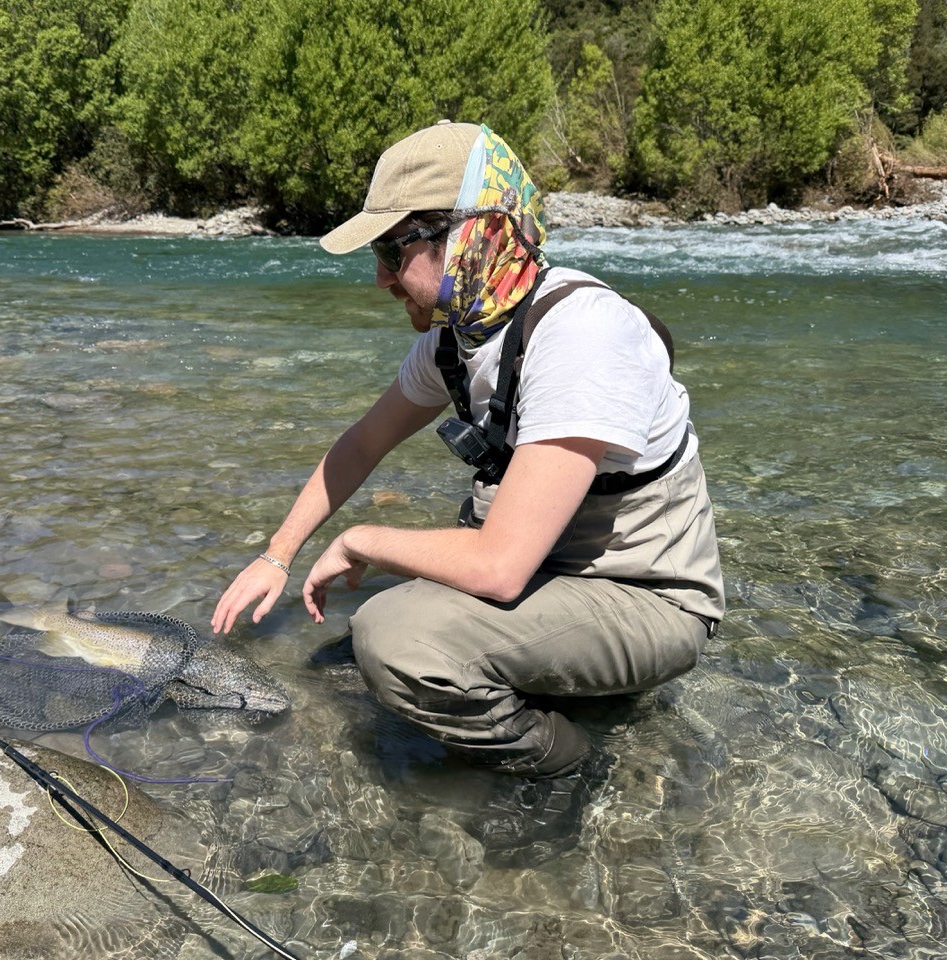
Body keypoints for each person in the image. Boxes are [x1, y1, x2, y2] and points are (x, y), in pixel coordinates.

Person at [212, 120, 724, 778]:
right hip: (555, 573)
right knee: (358, 627)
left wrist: (360, 539)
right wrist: (276, 556)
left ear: (474, 234)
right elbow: (362, 442)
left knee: (392, 636)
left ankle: (566, 764)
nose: (380, 280)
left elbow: (501, 567)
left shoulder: (581, 336)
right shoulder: (457, 341)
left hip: (648, 597)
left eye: (393, 253)